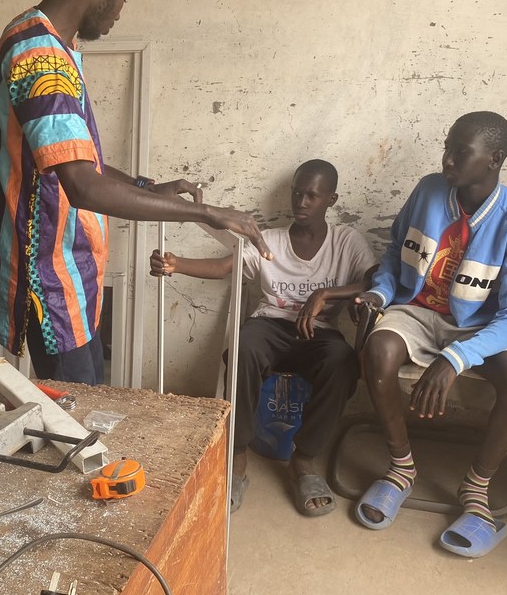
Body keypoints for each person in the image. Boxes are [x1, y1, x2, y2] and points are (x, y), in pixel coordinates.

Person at [0, 0, 270, 386]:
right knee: (77, 426)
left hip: (71, 271)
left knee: (87, 408)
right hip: (49, 278)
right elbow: (81, 185)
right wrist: (205, 214)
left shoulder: (57, 47)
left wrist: (141, 186)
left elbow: (71, 158)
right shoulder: (41, 56)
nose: (119, 13)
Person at [353, 111, 507, 558]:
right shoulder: (428, 191)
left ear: (494, 159)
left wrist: (456, 357)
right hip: (420, 312)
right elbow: (392, 253)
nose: (447, 159)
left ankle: (477, 489)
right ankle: (401, 468)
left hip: (482, 327)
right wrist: (379, 296)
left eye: (461, 151)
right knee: (378, 349)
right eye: (447, 146)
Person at [150, 160, 376, 516]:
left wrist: (327, 296)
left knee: (343, 362)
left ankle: (304, 461)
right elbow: (226, 266)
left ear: (331, 199)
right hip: (271, 326)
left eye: (312, 196)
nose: (301, 202)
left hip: (318, 335)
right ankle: (238, 459)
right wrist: (177, 263)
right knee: (243, 350)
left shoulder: (347, 241)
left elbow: (373, 281)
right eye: (297, 192)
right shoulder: (269, 240)